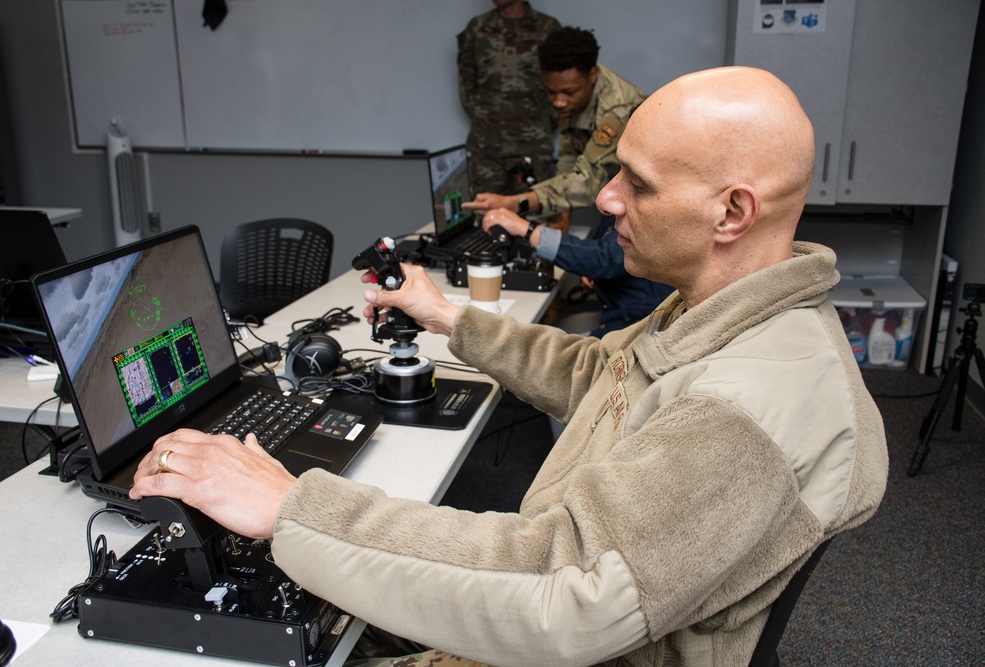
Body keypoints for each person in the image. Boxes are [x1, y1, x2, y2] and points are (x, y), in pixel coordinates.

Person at [130, 67, 889, 667]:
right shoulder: (720, 306)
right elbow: (600, 372)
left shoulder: (746, 407)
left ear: (732, 213)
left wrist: (293, 508)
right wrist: (450, 318)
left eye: (639, 183)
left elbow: (559, 589)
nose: (607, 197)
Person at [463, 26, 646, 223]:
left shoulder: (617, 111)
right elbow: (569, 158)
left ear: (592, 75)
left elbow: (589, 180)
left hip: (642, 200)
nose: (558, 102)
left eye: (568, 92)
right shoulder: (573, 98)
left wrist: (516, 202)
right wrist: (562, 217)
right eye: (551, 92)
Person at [483, 207, 673, 337]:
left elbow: (604, 258)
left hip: (636, 324)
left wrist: (527, 230)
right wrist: (597, 276)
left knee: (532, 349)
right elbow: (609, 249)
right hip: (625, 312)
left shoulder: (655, 209)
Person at [457, 0, 561, 196]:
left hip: (533, 146)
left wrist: (541, 125)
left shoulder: (547, 28)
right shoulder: (477, 28)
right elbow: (466, 85)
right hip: (487, 147)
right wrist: (486, 120)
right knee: (486, 216)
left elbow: (560, 87)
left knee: (533, 215)